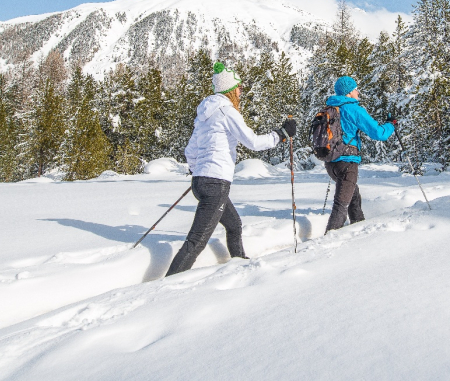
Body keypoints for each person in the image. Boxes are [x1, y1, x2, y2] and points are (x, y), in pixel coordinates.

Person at [166, 62, 297, 276]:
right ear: (230, 89)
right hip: (215, 183)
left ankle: (241, 268)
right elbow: (252, 142)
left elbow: (190, 151)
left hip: (202, 181)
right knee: (195, 242)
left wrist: (198, 170)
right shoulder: (227, 111)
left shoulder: (204, 115)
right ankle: (165, 287)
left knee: (234, 224)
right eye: (239, 87)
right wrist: (280, 134)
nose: (241, 91)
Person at [324, 76, 394, 232]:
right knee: (341, 204)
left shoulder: (329, 108)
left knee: (353, 195)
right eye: (355, 89)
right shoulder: (353, 109)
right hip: (347, 162)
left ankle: (358, 226)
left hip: (330, 163)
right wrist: (391, 125)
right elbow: (378, 133)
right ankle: (327, 240)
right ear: (348, 92)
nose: (358, 92)